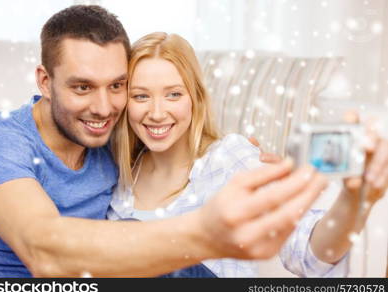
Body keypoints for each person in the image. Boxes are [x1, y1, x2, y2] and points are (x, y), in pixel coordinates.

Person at [0, 5, 380, 278]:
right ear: (45, 81)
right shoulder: (7, 138)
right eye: (82, 87)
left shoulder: (224, 158)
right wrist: (202, 233)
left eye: (116, 86)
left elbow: (310, 250)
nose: (102, 107)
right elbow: (44, 249)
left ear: (195, 97)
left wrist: (351, 201)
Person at [109, 32, 388, 277]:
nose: (157, 113)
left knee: (137, 241)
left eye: (173, 95)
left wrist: (355, 201)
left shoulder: (231, 157)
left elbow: (309, 256)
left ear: (196, 98)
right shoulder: (117, 177)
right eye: (141, 96)